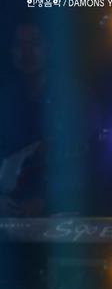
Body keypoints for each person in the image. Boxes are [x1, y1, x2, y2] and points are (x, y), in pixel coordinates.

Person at [0, 19, 102, 217]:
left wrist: (44, 200)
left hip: (64, 215)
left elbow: (91, 162)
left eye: (35, 44)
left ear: (49, 48)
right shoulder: (5, 99)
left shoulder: (75, 97)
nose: (27, 53)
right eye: (19, 45)